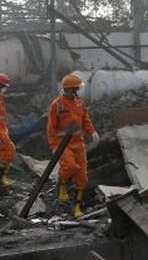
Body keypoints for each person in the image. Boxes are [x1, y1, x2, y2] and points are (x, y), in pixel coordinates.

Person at [47, 74, 100, 218]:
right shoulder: (57, 105)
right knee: (70, 166)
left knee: (82, 178)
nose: (78, 90)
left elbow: (85, 120)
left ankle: (77, 208)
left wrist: (92, 132)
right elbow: (51, 128)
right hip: (62, 144)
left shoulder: (79, 103)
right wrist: (54, 146)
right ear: (69, 89)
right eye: (76, 88)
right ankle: (62, 184)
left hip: (78, 143)